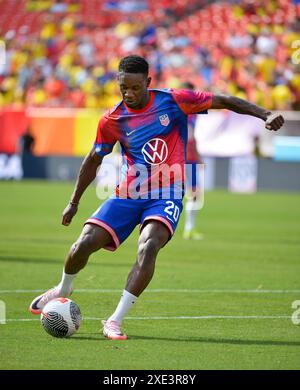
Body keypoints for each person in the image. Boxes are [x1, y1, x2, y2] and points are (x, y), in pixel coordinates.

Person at [29, 55, 284, 340]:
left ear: (148, 82)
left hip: (167, 194)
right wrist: (74, 202)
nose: (129, 93)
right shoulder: (112, 119)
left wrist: (265, 114)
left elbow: (223, 100)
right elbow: (93, 159)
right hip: (128, 193)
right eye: (124, 87)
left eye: (136, 87)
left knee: (148, 245)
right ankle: (63, 289)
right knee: (84, 243)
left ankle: (114, 320)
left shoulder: (174, 100)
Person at [181, 82, 204, 240]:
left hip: (183, 157)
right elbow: (189, 136)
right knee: (194, 192)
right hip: (187, 157)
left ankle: (189, 228)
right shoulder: (188, 113)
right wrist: (195, 153)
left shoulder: (188, 112)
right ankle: (189, 228)